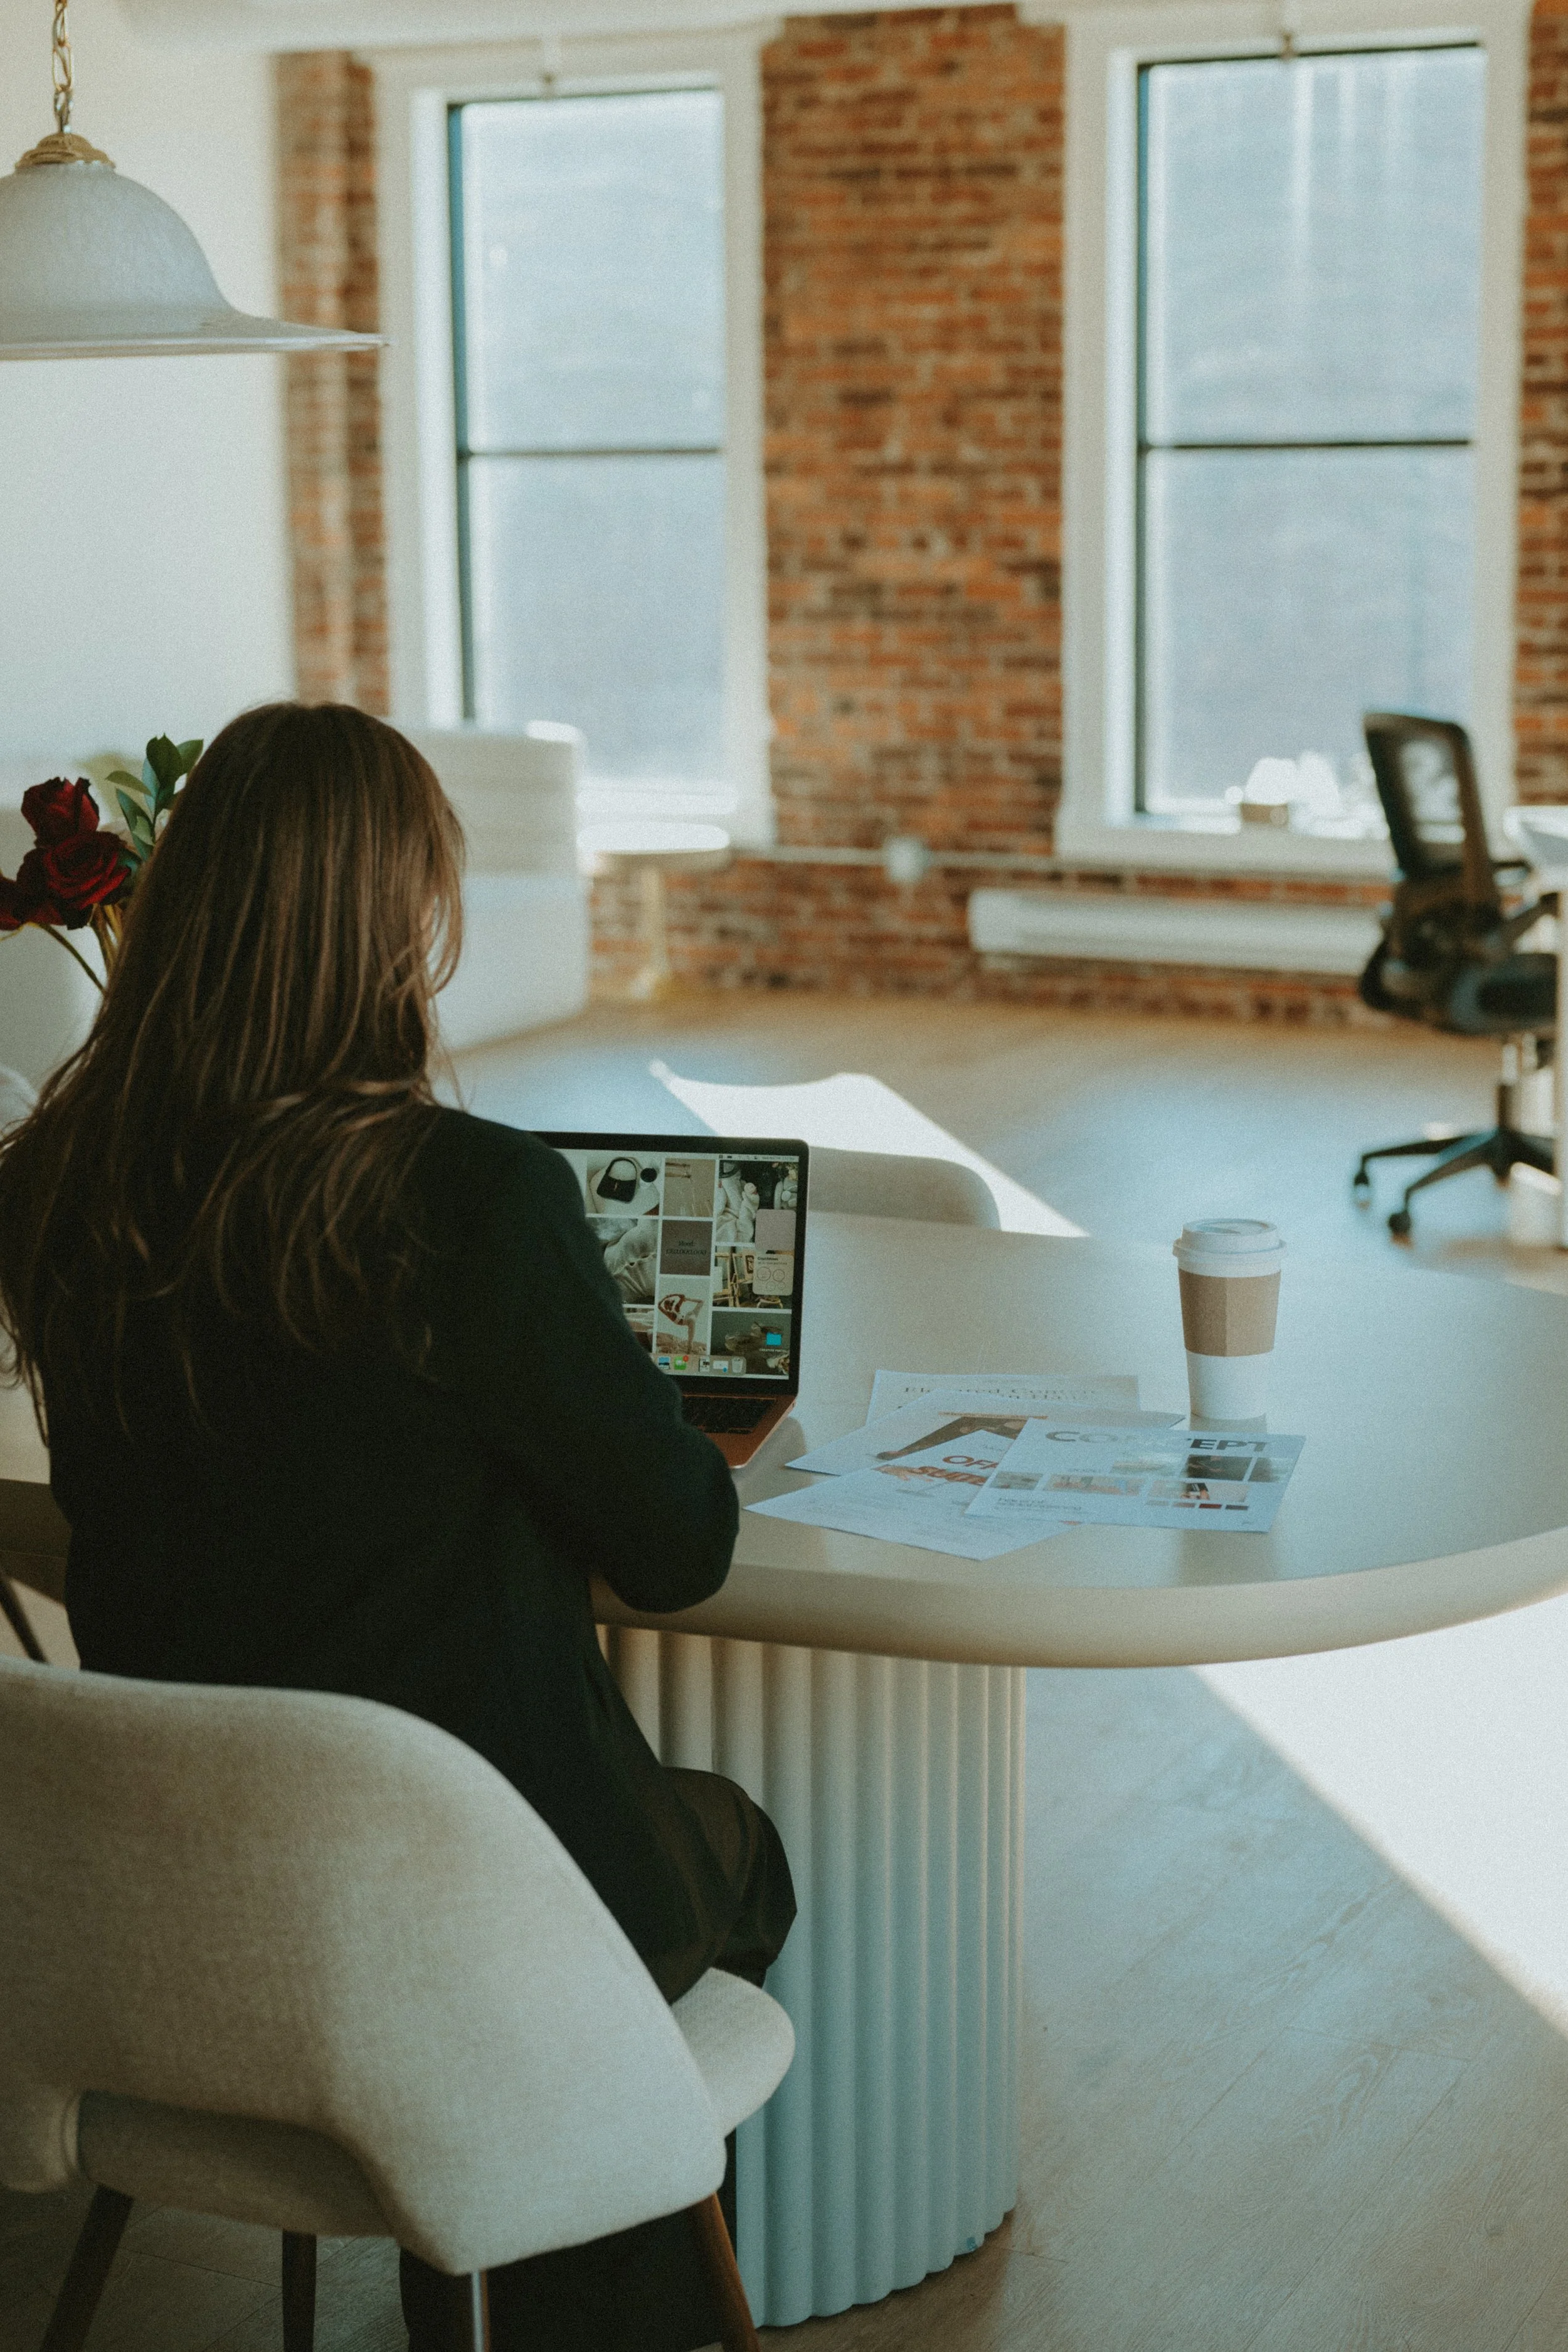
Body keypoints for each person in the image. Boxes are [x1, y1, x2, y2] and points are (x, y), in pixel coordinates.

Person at [0, 702, 795, 2352]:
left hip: (172, 1943)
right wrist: (616, 1411)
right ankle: (560, 2302)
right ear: (398, 926)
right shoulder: (467, 1198)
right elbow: (676, 1551)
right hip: (465, 1923)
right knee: (736, 1857)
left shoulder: (48, 1187)